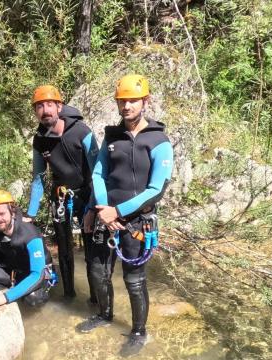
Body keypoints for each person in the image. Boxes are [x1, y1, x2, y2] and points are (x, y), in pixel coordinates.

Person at [77, 74, 174, 356]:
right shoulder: (112, 136)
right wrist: (103, 211)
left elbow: (156, 189)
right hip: (105, 217)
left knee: (134, 280)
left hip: (135, 221)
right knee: (98, 272)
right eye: (122, 101)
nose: (127, 106)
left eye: (132, 100)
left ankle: (138, 332)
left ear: (145, 101)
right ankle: (105, 315)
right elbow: (98, 173)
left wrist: (117, 211)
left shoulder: (159, 141)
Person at [24, 85, 99, 300]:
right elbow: (38, 177)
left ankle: (95, 299)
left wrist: (95, 205)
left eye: (49, 105)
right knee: (64, 252)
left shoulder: (81, 131)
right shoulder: (40, 140)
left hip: (86, 195)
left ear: (59, 106)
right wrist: (31, 213)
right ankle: (69, 296)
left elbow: (97, 172)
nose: (45, 110)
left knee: (91, 252)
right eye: (39, 106)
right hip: (60, 198)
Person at [0, 190, 56, 307]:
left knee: (32, 300)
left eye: (2, 214)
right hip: (14, 270)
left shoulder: (30, 233)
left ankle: (22, 292)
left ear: (12, 212)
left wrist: (6, 297)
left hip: (38, 272)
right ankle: (17, 289)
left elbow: (38, 274)